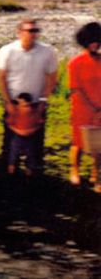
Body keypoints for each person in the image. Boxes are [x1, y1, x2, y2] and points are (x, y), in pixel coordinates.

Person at [0, 18, 58, 170]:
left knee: (36, 142)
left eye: (35, 31)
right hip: (14, 103)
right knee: (11, 141)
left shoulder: (48, 51)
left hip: (37, 102)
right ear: (19, 33)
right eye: (29, 30)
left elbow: (51, 78)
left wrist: (43, 102)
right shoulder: (7, 51)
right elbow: (1, 78)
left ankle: (35, 175)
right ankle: (9, 172)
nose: (33, 34)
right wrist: (8, 103)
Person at [67, 21, 101, 192]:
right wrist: (93, 108)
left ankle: (96, 175)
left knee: (99, 146)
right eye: (92, 40)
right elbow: (75, 89)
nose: (95, 44)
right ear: (85, 41)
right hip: (82, 109)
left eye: (97, 41)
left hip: (100, 110)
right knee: (78, 143)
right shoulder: (75, 63)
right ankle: (75, 170)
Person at [6, 92, 44, 176]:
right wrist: (17, 130)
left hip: (29, 137)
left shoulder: (34, 112)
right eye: (19, 102)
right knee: (13, 153)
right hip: (17, 137)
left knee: (30, 154)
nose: (20, 104)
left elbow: (39, 123)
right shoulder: (16, 111)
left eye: (22, 102)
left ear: (28, 103)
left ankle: (29, 172)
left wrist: (31, 130)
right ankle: (11, 170)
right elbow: (9, 123)